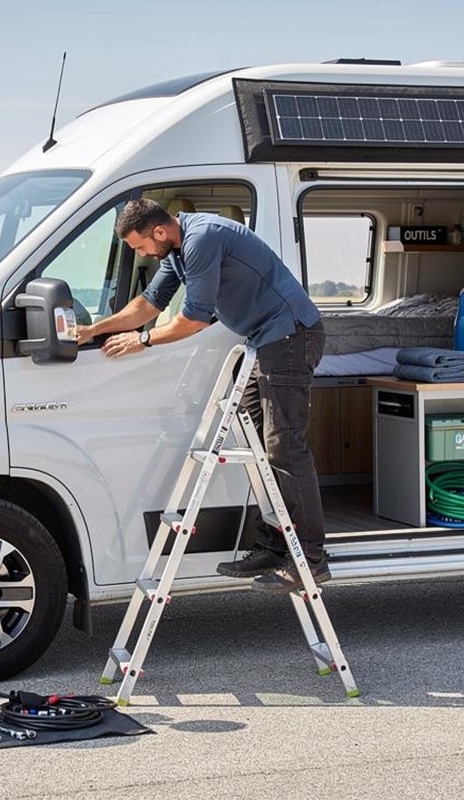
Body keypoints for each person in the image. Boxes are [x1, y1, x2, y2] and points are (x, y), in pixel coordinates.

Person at [75, 198, 327, 592]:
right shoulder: (176, 250)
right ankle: (278, 545)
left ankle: (311, 557)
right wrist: (94, 330)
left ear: (159, 232)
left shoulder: (202, 239)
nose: (141, 255)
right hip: (266, 342)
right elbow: (148, 304)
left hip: (292, 336)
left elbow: (193, 318)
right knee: (263, 450)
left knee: (285, 448)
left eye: (140, 247)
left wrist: (143, 341)